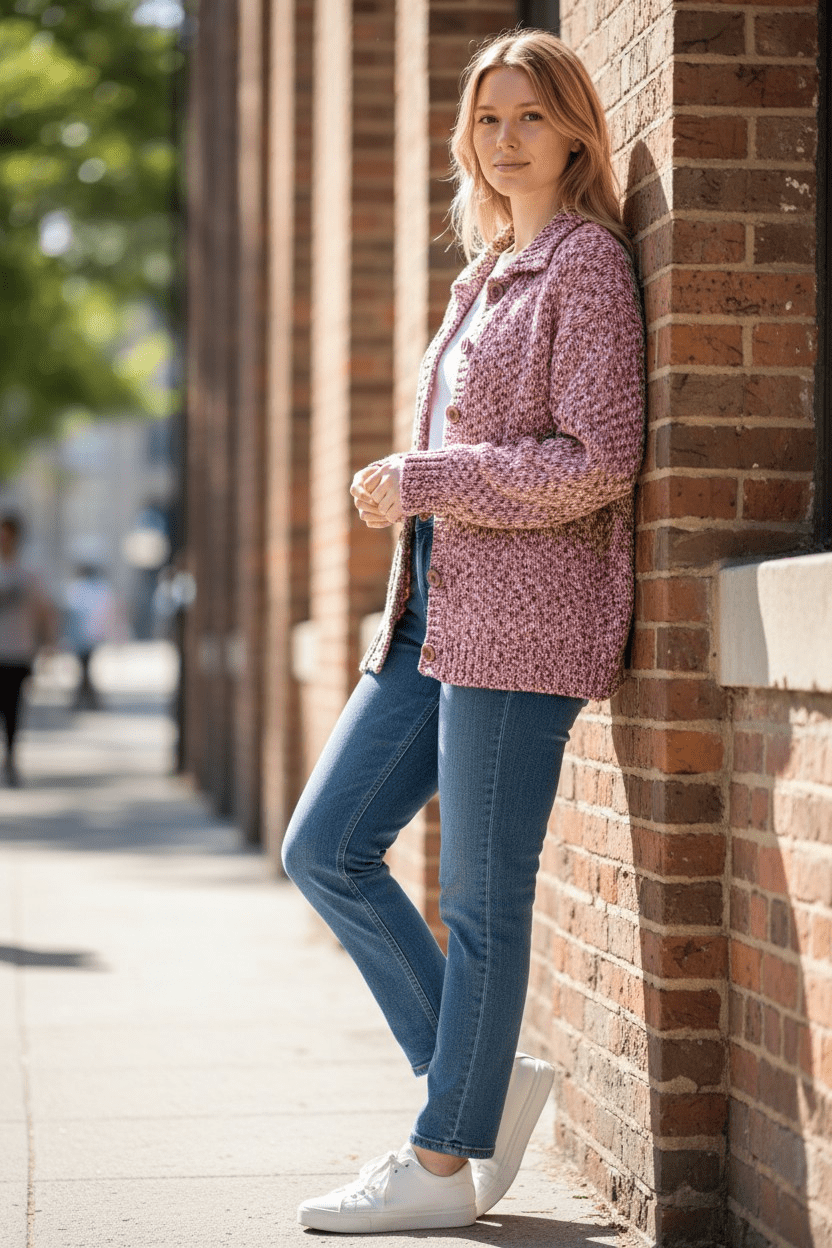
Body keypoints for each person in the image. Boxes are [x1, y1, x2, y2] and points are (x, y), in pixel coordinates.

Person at [282, 27, 645, 1234]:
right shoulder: (482, 275)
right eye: (487, 119)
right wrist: (416, 498)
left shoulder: (585, 267)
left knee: (483, 902)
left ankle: (443, 1165)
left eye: (529, 117)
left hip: (524, 623)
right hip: (429, 616)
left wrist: (425, 475)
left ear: (576, 130)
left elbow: (595, 462)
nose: (505, 140)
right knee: (323, 846)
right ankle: (477, 1089)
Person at [0, 514, 57, 786]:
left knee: (12, 710)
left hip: (17, 653)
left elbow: (45, 612)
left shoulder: (28, 576)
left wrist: (48, 644)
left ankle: (10, 758)